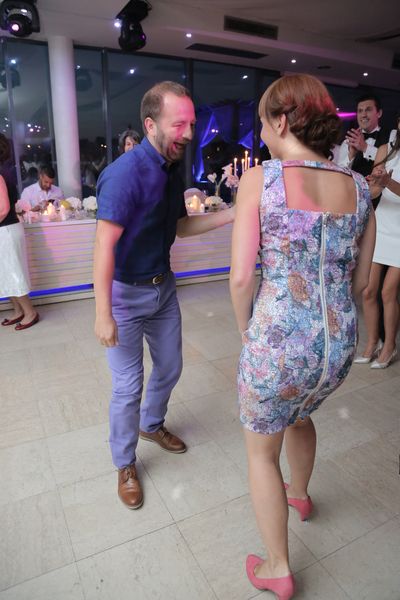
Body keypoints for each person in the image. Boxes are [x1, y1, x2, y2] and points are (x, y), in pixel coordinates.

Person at [229, 74, 375, 599]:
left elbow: (241, 278)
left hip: (279, 343)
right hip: (337, 347)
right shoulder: (359, 187)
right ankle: (301, 494)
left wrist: (247, 332)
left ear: (282, 120)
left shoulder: (261, 179)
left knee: (260, 451)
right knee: (300, 412)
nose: (261, 134)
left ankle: (277, 568)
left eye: (263, 123)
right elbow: (361, 283)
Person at [94, 81, 235, 510]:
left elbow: (180, 227)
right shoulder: (123, 175)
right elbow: (103, 246)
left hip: (163, 289)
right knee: (127, 387)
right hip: (124, 296)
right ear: (151, 124)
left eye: (191, 123)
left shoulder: (171, 169)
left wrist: (232, 214)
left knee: (170, 366)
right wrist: (102, 312)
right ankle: (124, 463)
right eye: (179, 124)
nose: (189, 133)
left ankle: (151, 423)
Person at [354, 118, 400, 368]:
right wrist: (371, 184)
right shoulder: (385, 148)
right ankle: (373, 342)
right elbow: (374, 190)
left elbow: (388, 185)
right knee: (368, 290)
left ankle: (390, 346)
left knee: (388, 292)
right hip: (381, 224)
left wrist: (388, 182)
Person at [0, 134, 39, 330]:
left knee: (13, 272)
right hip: (7, 229)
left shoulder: (0, 173)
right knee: (6, 273)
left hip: (6, 230)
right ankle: (18, 311)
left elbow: (4, 208)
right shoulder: (5, 171)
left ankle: (30, 312)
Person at [337, 93, 387, 180]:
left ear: (379, 113)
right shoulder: (347, 141)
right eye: (360, 111)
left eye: (368, 110)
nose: (363, 115)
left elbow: (392, 164)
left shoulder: (392, 136)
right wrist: (351, 156)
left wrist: (365, 148)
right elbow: (339, 175)